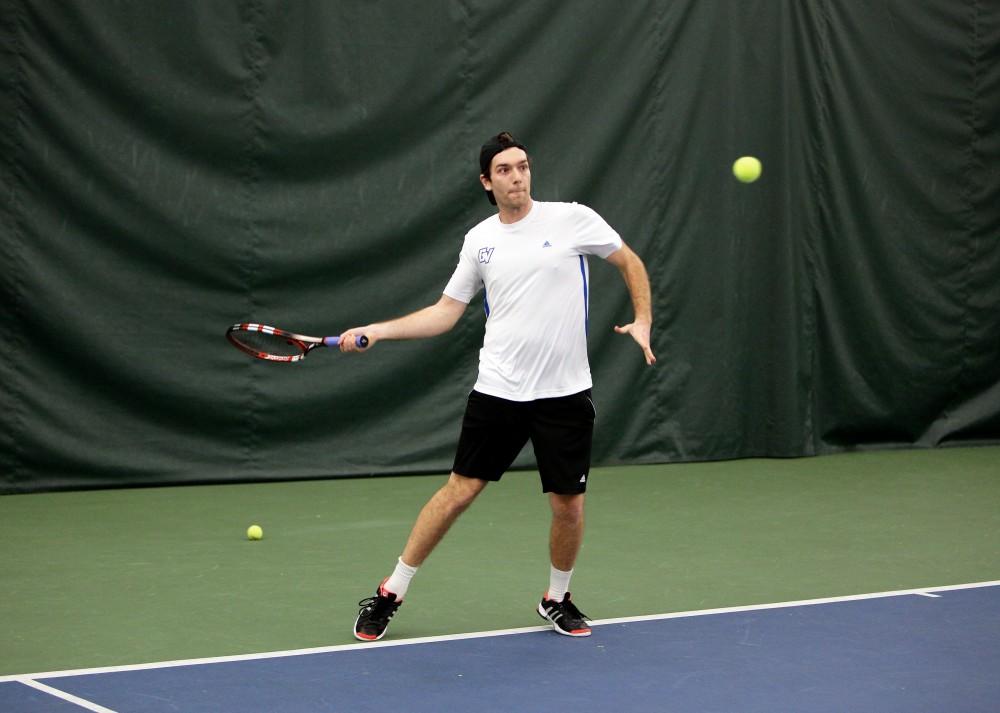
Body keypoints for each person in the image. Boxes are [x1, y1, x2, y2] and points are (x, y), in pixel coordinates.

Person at [339, 131, 655, 641]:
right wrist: (379, 331)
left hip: (565, 394)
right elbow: (445, 313)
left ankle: (557, 598)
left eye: (523, 166)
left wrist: (643, 318)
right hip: (500, 392)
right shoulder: (480, 241)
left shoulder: (573, 218)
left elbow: (629, 262)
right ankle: (389, 592)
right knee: (458, 492)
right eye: (505, 170)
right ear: (487, 182)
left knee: (568, 506)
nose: (518, 176)